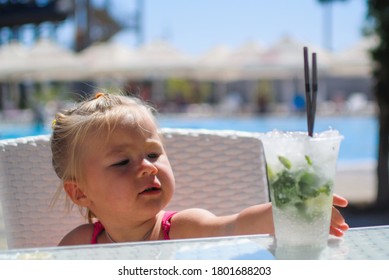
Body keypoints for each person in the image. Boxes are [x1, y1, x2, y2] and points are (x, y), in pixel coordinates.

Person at [51, 92, 349, 246]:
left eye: (153, 153)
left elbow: (235, 226)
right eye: (121, 162)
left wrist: (288, 211)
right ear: (79, 192)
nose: (146, 168)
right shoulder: (78, 245)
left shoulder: (182, 230)